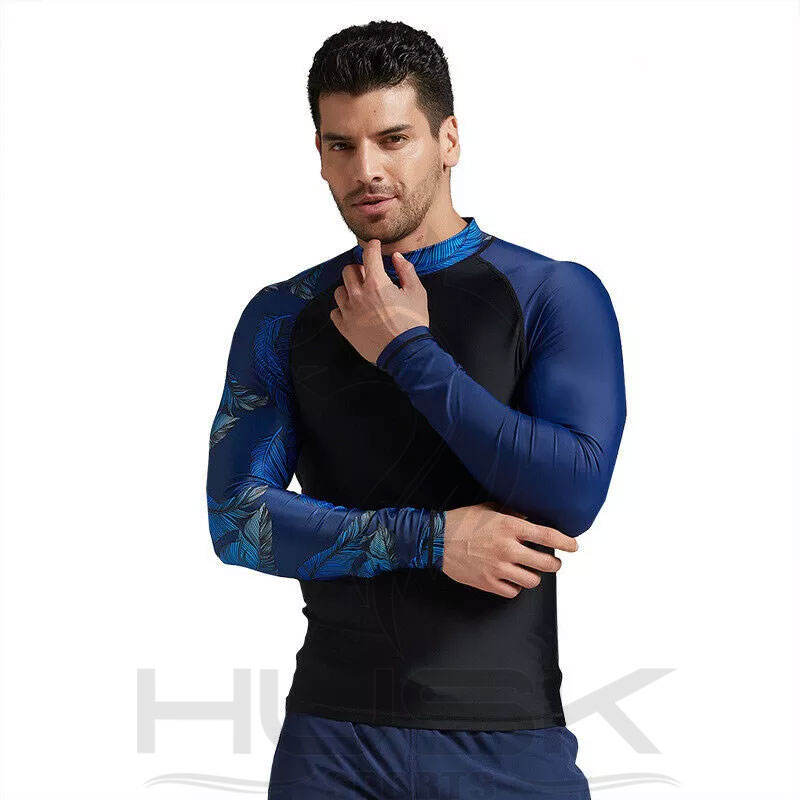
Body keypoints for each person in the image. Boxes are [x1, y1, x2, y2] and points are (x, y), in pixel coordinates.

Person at [206, 19, 626, 800]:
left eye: (393, 139)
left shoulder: (550, 294)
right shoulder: (284, 315)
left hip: (505, 743)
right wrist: (432, 540)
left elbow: (570, 495)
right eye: (341, 145)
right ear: (320, 154)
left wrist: (408, 350)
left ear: (448, 140)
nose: (366, 169)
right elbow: (235, 519)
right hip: (331, 745)